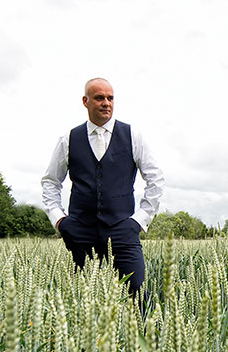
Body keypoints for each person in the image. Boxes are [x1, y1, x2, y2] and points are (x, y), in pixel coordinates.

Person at [41, 77, 164, 296]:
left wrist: (139, 220)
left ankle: (143, 332)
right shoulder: (68, 139)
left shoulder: (132, 135)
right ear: (85, 101)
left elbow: (155, 179)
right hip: (80, 232)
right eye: (99, 98)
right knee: (81, 300)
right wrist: (59, 220)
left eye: (110, 98)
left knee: (138, 296)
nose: (106, 103)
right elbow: (51, 181)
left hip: (122, 231)